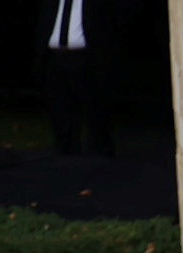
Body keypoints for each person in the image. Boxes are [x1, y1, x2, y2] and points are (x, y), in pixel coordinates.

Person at [40, 0, 113, 157]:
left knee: (93, 106)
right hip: (56, 57)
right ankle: (66, 152)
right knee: (60, 108)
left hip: (84, 57)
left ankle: (99, 154)